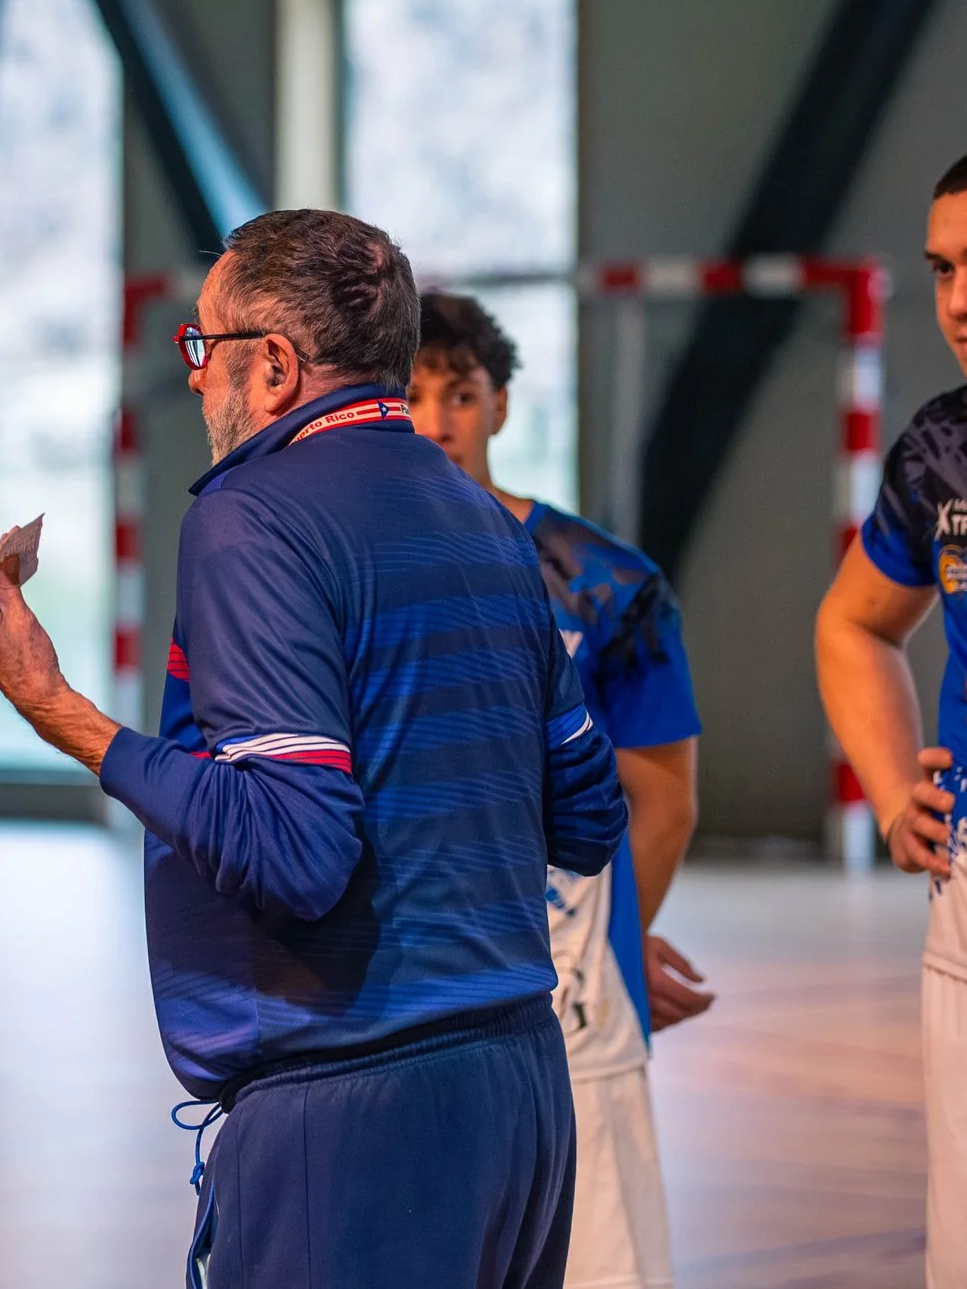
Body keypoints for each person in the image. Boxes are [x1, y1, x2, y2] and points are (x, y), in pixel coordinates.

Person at [0, 209, 627, 1288]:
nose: (193, 377)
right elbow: (589, 819)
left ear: (271, 363)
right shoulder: (490, 526)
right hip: (522, 1093)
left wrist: (59, 711)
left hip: (352, 1106)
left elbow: (294, 848)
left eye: (203, 346)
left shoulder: (249, 516)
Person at [410, 291, 712, 1289]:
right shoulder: (350, 567)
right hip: (411, 997)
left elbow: (664, 794)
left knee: (600, 1252)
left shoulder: (605, 582)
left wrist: (621, 934)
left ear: (499, 405)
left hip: (575, 999)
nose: (438, 418)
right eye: (412, 394)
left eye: (461, 393)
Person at [816, 136, 967, 1288]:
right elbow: (851, 624)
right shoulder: (942, 444)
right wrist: (892, 798)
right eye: (941, 269)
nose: (963, 298)